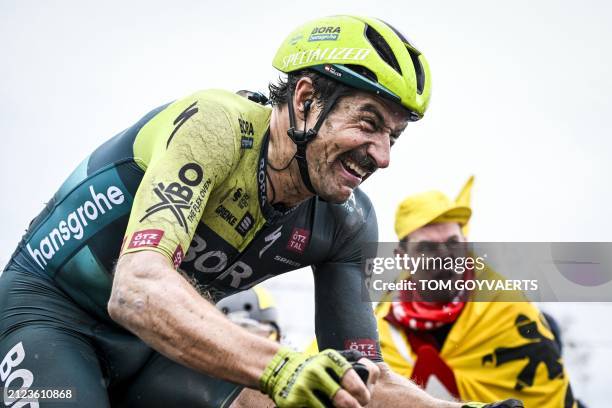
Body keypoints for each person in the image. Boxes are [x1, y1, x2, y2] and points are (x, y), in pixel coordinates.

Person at [0, 15, 516, 408]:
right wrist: (280, 367)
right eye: (369, 122)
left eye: (393, 136)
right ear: (307, 100)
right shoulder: (216, 125)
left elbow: (362, 379)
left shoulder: (349, 219)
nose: (382, 155)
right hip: (50, 318)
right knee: (278, 382)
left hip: (159, 345)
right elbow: (137, 289)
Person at [373, 177, 581, 407]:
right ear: (402, 257)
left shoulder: (507, 308)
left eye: (453, 243)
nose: (445, 257)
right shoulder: (378, 329)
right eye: (427, 247)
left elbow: (549, 395)